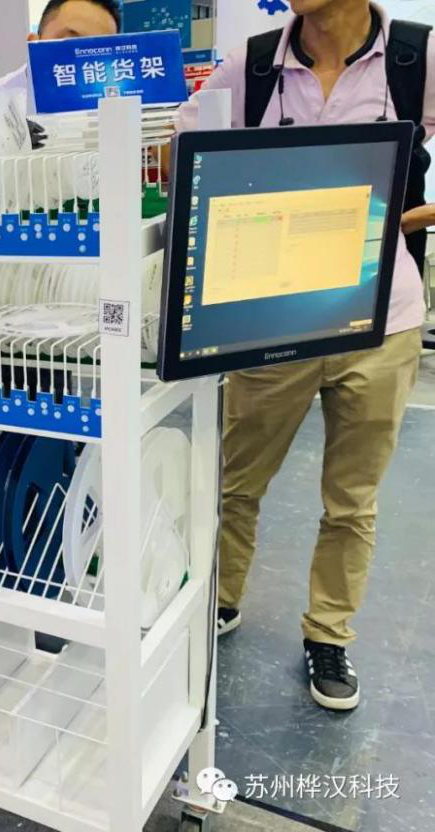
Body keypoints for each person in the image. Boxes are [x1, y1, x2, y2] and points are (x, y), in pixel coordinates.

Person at [177, 0, 435, 711]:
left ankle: (328, 633)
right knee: (237, 482)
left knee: (351, 500)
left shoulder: (414, 58)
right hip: (271, 321)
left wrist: (401, 220)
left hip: (381, 321)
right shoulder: (255, 64)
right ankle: (221, 598)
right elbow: (182, 151)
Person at [0, 0, 121, 93]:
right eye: (71, 42)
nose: (85, 63)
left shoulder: (113, 104)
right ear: (33, 44)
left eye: (101, 51)